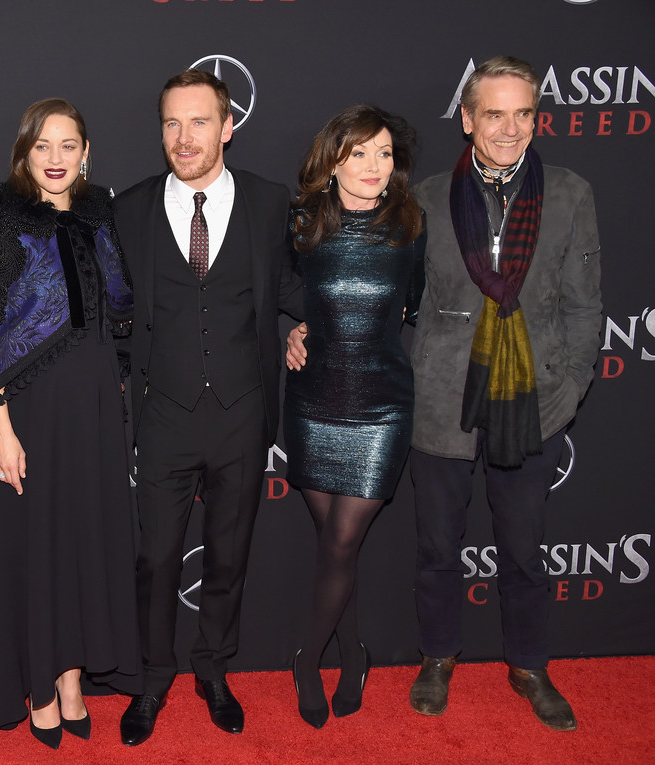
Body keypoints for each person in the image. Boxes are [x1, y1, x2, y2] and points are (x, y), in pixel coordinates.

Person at [289, 56, 602, 732]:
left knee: (524, 549)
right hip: (439, 399)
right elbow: (379, 286)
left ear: (537, 119)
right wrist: (311, 324)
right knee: (437, 547)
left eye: (523, 114)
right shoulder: (423, 202)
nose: (509, 128)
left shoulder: (570, 193)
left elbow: (585, 306)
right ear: (468, 119)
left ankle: (530, 666)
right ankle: (437, 657)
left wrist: (571, 386)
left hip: (534, 399)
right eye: (494, 114)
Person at [115, 69, 303, 746]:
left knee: (229, 555)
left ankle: (214, 668)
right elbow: (112, 307)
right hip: (163, 413)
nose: (184, 137)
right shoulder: (129, 208)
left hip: (241, 411)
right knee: (155, 559)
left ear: (227, 127)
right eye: (172, 123)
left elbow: (288, 284)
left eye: (198, 122)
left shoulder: (268, 201)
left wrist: (312, 321)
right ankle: (153, 676)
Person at [0, 98, 140, 749]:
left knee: (83, 542)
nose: (56, 158)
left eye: (69, 145)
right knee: (39, 546)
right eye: (43, 145)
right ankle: (40, 684)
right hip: (32, 410)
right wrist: (1, 427)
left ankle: (72, 679)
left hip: (94, 409)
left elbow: (118, 312)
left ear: (86, 152)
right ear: (24, 152)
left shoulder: (101, 215)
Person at [285, 105, 424, 729]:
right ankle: (354, 651)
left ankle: (306, 659)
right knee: (335, 548)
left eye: (384, 153)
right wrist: (297, 329)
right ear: (333, 160)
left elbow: (414, 302)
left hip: (381, 406)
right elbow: (284, 292)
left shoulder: (410, 227)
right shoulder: (302, 223)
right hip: (314, 401)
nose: (374, 166)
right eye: (359, 153)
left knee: (341, 541)